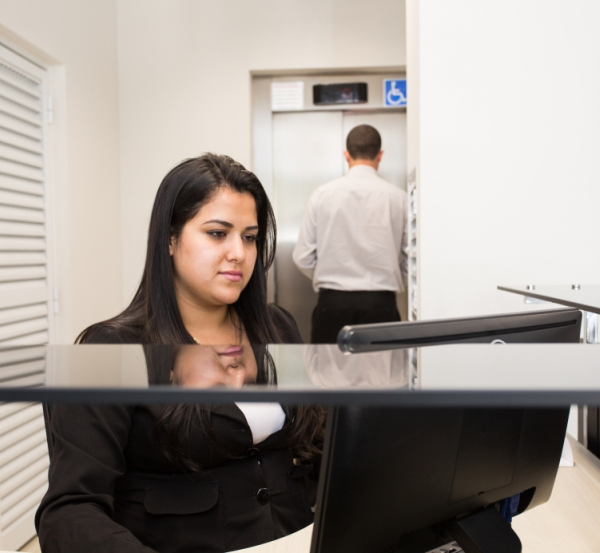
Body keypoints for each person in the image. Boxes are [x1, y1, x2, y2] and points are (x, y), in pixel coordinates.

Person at [36, 153, 324, 553]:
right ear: (170, 239)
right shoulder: (114, 350)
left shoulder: (277, 328)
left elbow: (323, 449)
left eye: (249, 236)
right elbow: (69, 512)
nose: (239, 253)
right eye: (217, 233)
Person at [292, 124, 407, 343]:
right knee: (383, 376)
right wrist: (393, 279)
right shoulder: (399, 198)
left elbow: (302, 256)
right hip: (382, 307)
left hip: (332, 307)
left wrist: (328, 276)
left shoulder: (322, 195)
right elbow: (415, 258)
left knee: (330, 376)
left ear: (347, 155)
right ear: (379, 155)